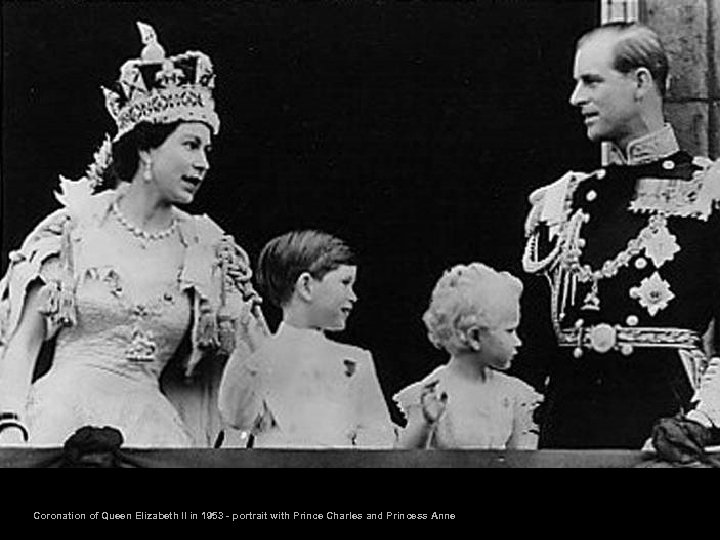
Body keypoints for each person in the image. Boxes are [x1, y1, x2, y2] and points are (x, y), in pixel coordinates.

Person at [0, 22, 268, 447]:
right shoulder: (73, 229)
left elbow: (246, 368)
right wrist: (10, 427)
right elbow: (22, 346)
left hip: (151, 432)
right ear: (146, 149)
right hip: (57, 422)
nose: (203, 163)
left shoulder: (205, 247)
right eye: (190, 145)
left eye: (207, 150)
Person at [520, 22, 720, 449]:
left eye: (591, 81)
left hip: (666, 435)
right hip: (568, 435)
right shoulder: (565, 199)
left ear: (640, 82)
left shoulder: (708, 191)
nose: (576, 98)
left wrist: (703, 420)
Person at [218, 230, 396, 448]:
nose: (353, 296)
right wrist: (249, 355)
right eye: (345, 282)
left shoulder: (354, 361)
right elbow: (236, 418)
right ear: (306, 286)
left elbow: (379, 437)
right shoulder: (257, 358)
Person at [394, 263, 542, 449]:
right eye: (509, 331)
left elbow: (522, 457)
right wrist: (426, 424)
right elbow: (403, 458)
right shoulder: (434, 394)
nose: (518, 342)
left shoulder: (513, 394)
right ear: (474, 336)